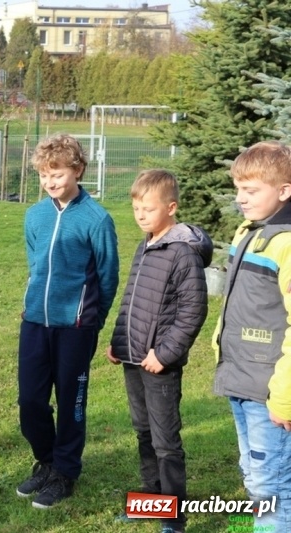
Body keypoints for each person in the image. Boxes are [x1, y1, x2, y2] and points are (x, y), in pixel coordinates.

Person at [15, 133, 119, 508]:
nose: (50, 182)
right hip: (35, 324)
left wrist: (92, 321)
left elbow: (107, 277)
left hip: (76, 329)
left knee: (72, 403)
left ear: (78, 170)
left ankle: (65, 473)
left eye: (57, 174)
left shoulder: (96, 219)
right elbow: (34, 262)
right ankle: (46, 460)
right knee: (30, 402)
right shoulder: (35, 215)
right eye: (44, 175)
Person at [106, 170, 212, 533]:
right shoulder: (146, 245)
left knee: (166, 441)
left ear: (171, 207)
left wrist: (165, 354)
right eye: (136, 208)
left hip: (159, 365)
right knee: (143, 432)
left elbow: (192, 311)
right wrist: (119, 342)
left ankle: (173, 518)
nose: (140, 215)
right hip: (133, 358)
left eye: (148, 209)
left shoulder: (183, 253)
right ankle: (150, 502)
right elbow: (134, 299)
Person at [212, 140, 291, 531]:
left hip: (270, 390)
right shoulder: (251, 231)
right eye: (238, 189)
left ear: (284, 190)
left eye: (252, 190)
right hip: (241, 378)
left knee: (271, 486)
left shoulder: (286, 242)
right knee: (254, 473)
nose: (241, 198)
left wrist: (285, 397)